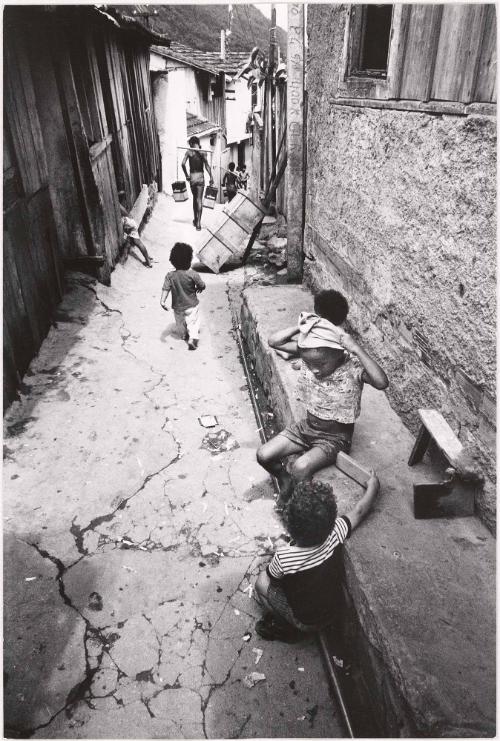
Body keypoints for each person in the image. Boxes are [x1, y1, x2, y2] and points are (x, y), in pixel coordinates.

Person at [256, 312, 388, 496]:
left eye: (322, 363)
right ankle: (283, 479)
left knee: (300, 467)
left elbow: (382, 382)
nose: (315, 369)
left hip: (334, 438)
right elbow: (274, 341)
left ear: (339, 352)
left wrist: (356, 348)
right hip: (306, 429)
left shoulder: (353, 367)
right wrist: (305, 326)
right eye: (308, 364)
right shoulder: (313, 353)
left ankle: (305, 502)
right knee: (263, 455)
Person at [254, 471, 380, 641]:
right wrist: (373, 486)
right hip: (333, 609)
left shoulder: (284, 557)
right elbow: (359, 511)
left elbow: (274, 583)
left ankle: (284, 627)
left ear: (288, 524)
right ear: (331, 521)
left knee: (261, 582)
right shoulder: (336, 532)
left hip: (305, 620)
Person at [272, 290, 349, 360]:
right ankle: (289, 353)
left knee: (278, 342)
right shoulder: (341, 334)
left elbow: (273, 341)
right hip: (318, 353)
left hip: (310, 352)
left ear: (318, 312)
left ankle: (289, 353)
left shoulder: (315, 328)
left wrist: (303, 325)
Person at [160, 242, 205, 351]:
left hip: (178, 308)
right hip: (191, 305)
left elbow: (165, 289)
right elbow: (202, 285)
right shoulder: (193, 274)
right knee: (193, 323)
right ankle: (193, 339)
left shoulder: (170, 276)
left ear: (172, 260)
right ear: (189, 260)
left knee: (180, 323)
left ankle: (184, 335)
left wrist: (162, 301)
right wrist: (200, 287)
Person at [181, 136, 213, 231]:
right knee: (199, 200)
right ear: (198, 143)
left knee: (195, 199)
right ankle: (198, 223)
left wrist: (187, 175)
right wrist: (211, 176)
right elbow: (207, 166)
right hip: (200, 177)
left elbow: (183, 164)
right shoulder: (203, 152)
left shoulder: (189, 152)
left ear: (191, 143)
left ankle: (195, 219)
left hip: (192, 177)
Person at [119, 191, 153, 268]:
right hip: (130, 223)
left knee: (138, 243)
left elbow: (122, 193)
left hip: (129, 224)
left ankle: (148, 261)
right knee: (131, 242)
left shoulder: (118, 205)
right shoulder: (119, 205)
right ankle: (148, 258)